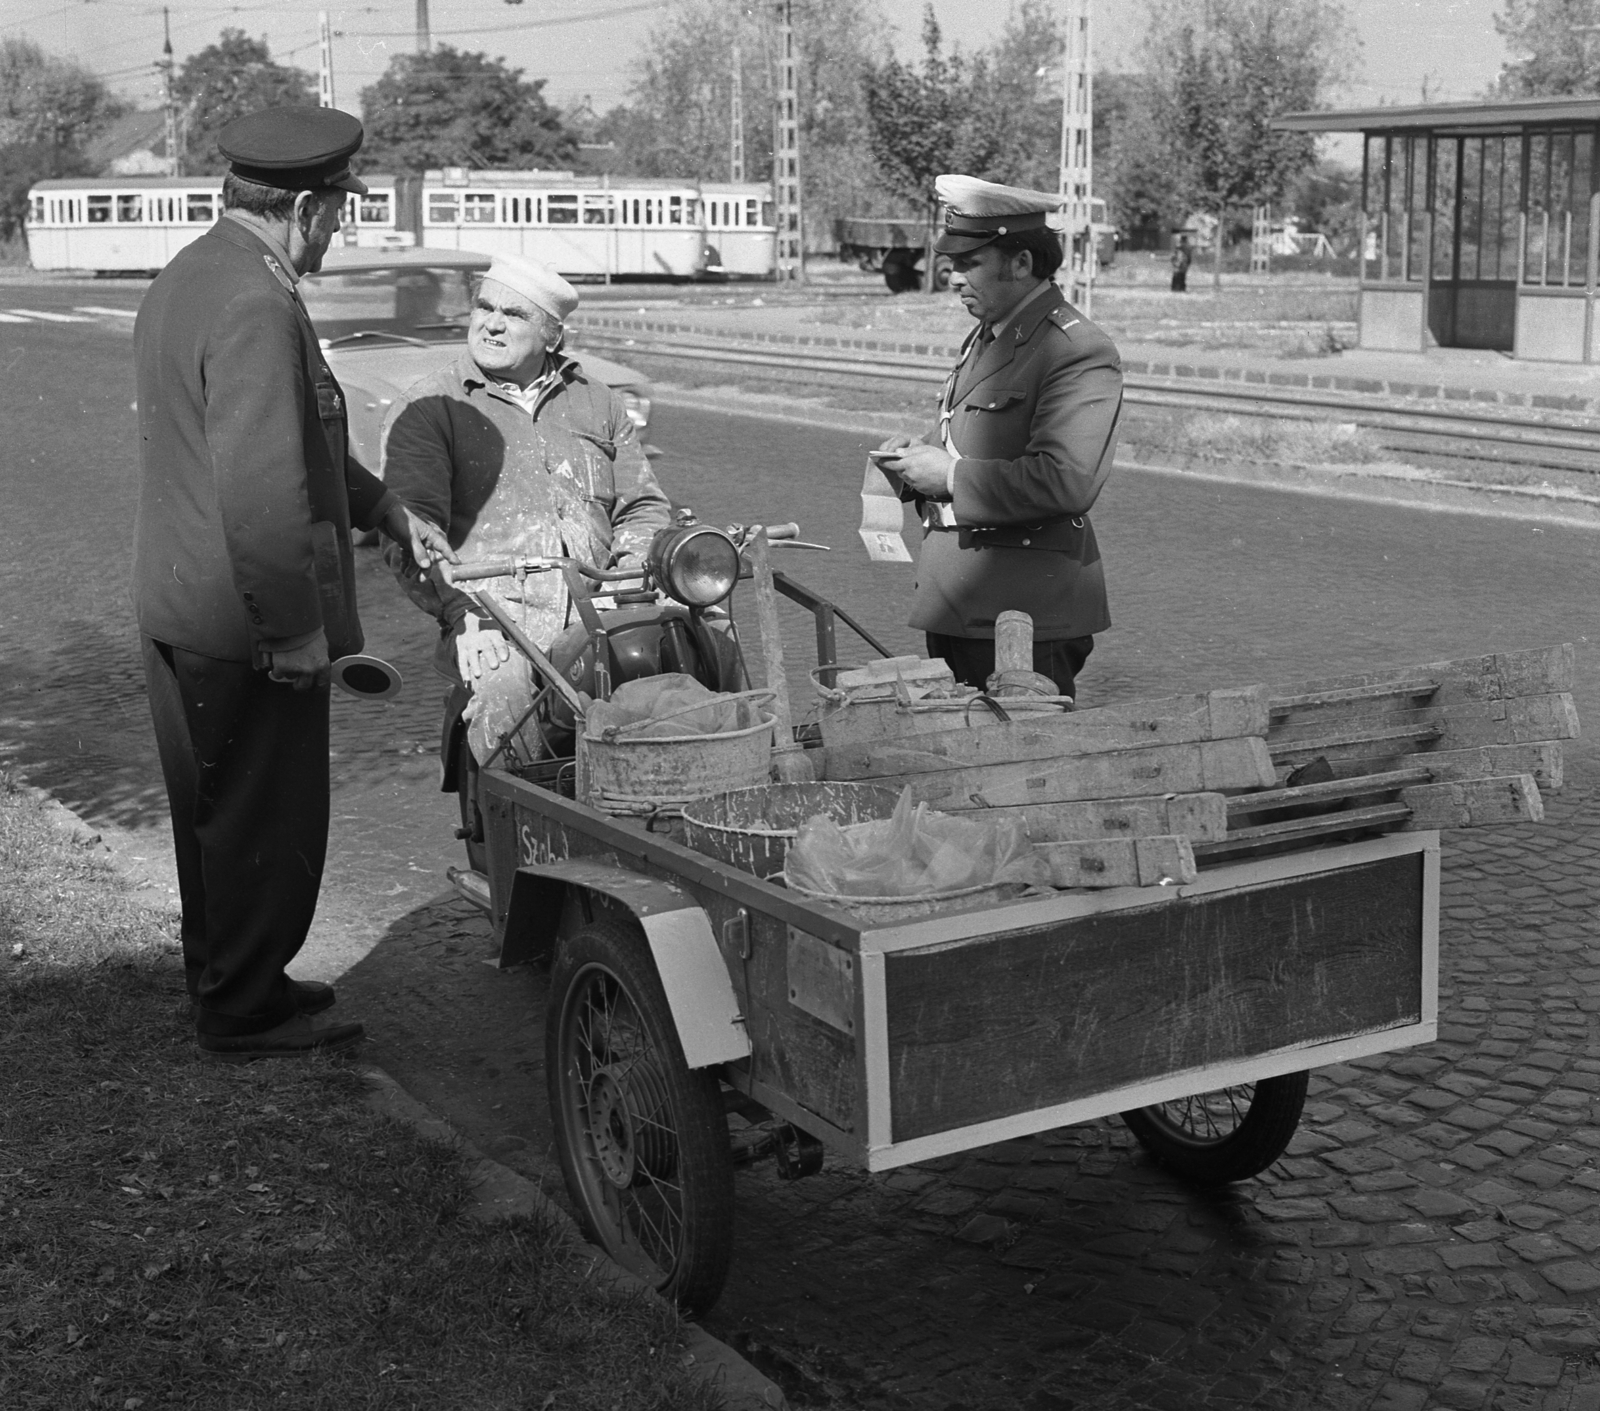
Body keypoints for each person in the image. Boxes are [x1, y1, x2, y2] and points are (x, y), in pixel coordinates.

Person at [132, 106, 454, 1062]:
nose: (338, 231)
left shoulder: (197, 274)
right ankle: (244, 1009)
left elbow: (298, 444)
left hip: (182, 600)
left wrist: (386, 507)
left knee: (216, 814)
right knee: (265, 818)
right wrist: (291, 631)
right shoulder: (257, 303)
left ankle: (234, 976)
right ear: (307, 208)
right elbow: (264, 486)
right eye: (339, 213)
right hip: (241, 619)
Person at [380, 252, 672, 760]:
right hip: (489, 620)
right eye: (484, 308)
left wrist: (629, 578)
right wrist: (464, 616)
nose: (491, 324)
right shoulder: (431, 407)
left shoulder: (597, 401)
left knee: (699, 650)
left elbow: (642, 507)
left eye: (514, 315)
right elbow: (410, 536)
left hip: (598, 608)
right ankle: (520, 829)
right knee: (506, 697)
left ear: (552, 336)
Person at [874, 174, 1123, 702]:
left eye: (970, 264)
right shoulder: (992, 332)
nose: (954, 278)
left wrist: (948, 476)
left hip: (1025, 613)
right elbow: (978, 435)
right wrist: (917, 461)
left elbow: (1067, 480)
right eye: (954, 264)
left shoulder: (1074, 350)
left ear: (1021, 263)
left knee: (1027, 770)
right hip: (962, 601)